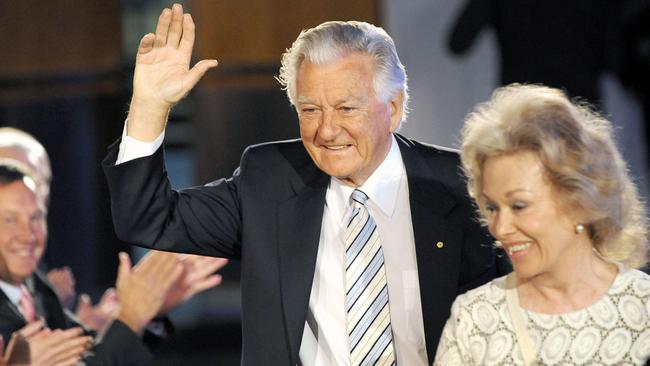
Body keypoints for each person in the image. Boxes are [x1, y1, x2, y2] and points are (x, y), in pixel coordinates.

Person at [103, 4, 508, 364]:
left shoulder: (461, 185)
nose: (327, 130)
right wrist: (149, 107)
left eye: (346, 108)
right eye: (310, 109)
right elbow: (149, 219)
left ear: (395, 108)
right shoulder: (270, 179)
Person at [434, 84, 650, 365]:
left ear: (580, 200)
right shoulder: (475, 318)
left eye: (519, 206)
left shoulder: (644, 306)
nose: (499, 228)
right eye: (492, 208)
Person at [0, 162, 223, 365]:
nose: (27, 235)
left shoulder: (35, 286)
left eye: (36, 218)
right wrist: (131, 316)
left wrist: (149, 307)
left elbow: (96, 356)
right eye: (9, 219)